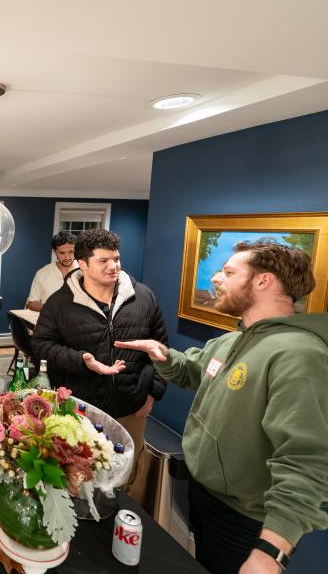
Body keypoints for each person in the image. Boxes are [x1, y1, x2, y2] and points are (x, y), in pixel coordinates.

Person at [116, 241, 328, 574]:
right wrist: (163, 355)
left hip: (244, 520)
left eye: (229, 272)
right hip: (205, 496)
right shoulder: (231, 340)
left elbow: (307, 458)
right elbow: (192, 371)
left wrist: (271, 550)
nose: (216, 278)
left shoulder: (299, 354)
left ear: (263, 281)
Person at [31, 228, 168, 461]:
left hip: (132, 408)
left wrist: (153, 393)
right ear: (82, 264)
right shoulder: (59, 303)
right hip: (80, 410)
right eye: (103, 260)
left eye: (116, 258)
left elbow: (161, 347)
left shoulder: (144, 297)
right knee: (82, 472)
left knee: (126, 472)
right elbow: (41, 345)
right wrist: (81, 360)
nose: (113, 266)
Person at [26, 231, 78, 312]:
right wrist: (53, 311)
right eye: (62, 253)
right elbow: (32, 303)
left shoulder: (85, 271)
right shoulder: (42, 273)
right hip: (49, 322)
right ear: (54, 252)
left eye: (71, 252)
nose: (67, 257)